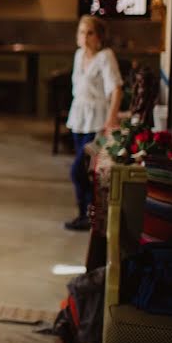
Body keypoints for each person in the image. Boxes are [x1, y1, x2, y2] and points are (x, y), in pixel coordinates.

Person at [64, 15, 123, 231]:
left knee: (79, 171)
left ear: (99, 37)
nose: (85, 37)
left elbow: (116, 88)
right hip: (79, 120)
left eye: (90, 32)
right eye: (81, 32)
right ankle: (86, 215)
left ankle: (90, 215)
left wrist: (111, 119)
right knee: (86, 172)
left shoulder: (105, 57)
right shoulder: (79, 55)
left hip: (97, 122)